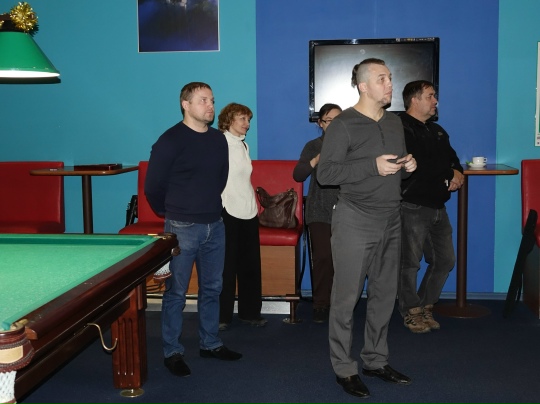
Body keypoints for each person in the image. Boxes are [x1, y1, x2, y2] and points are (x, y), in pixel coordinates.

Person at [318, 58, 417, 399]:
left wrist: (408, 164)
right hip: (355, 220)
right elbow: (326, 174)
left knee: (384, 296)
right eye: (382, 79)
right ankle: (344, 369)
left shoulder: (394, 122)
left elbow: (395, 167)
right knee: (345, 299)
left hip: (392, 217)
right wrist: (371, 166)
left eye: (390, 78)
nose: (390, 84)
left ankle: (375, 360)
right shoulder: (343, 124)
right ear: (363, 86)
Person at [145, 82, 242, 378]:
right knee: (176, 292)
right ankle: (172, 351)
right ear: (185, 105)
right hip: (181, 226)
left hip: (215, 224)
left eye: (211, 100)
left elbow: (221, 177)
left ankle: (210, 343)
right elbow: (153, 187)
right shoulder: (170, 140)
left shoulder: (218, 140)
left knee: (213, 288)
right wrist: (172, 212)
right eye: (203, 100)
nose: (210, 105)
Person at [398, 80, 464, 333]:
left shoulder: (438, 130)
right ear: (414, 100)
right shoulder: (400, 127)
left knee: (445, 260)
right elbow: (418, 163)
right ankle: (410, 311)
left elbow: (452, 159)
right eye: (430, 96)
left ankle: (426, 304)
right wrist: (449, 172)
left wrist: (457, 171)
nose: (435, 101)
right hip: (412, 206)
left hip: (438, 206)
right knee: (409, 263)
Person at [217, 102, 266, 330]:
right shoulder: (219, 143)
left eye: (248, 120)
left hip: (248, 210)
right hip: (227, 210)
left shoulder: (243, 145)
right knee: (226, 266)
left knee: (250, 265)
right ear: (229, 120)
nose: (247, 124)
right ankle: (222, 317)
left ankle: (250, 313)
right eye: (243, 119)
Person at [293, 103, 342, 323]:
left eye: (339, 120)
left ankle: (341, 304)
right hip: (319, 210)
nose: (335, 124)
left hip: (347, 210)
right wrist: (317, 159)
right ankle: (321, 304)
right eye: (329, 120)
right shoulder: (313, 146)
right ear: (321, 123)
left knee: (345, 260)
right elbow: (298, 175)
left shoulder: (351, 145)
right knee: (323, 257)